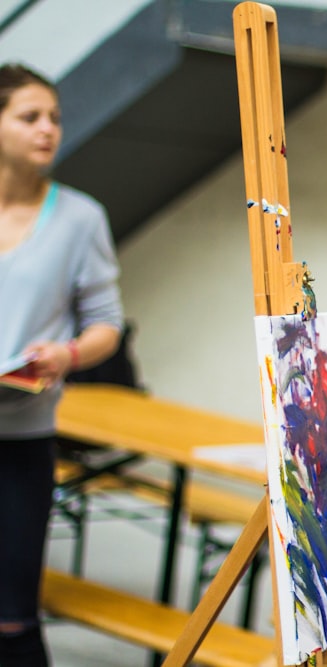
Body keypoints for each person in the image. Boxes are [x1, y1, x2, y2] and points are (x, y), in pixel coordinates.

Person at [0, 63, 123, 666]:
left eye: (54, 117)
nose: (48, 129)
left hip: (23, 438)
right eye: (30, 117)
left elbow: (108, 324)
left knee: (12, 616)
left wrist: (66, 354)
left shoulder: (80, 218)